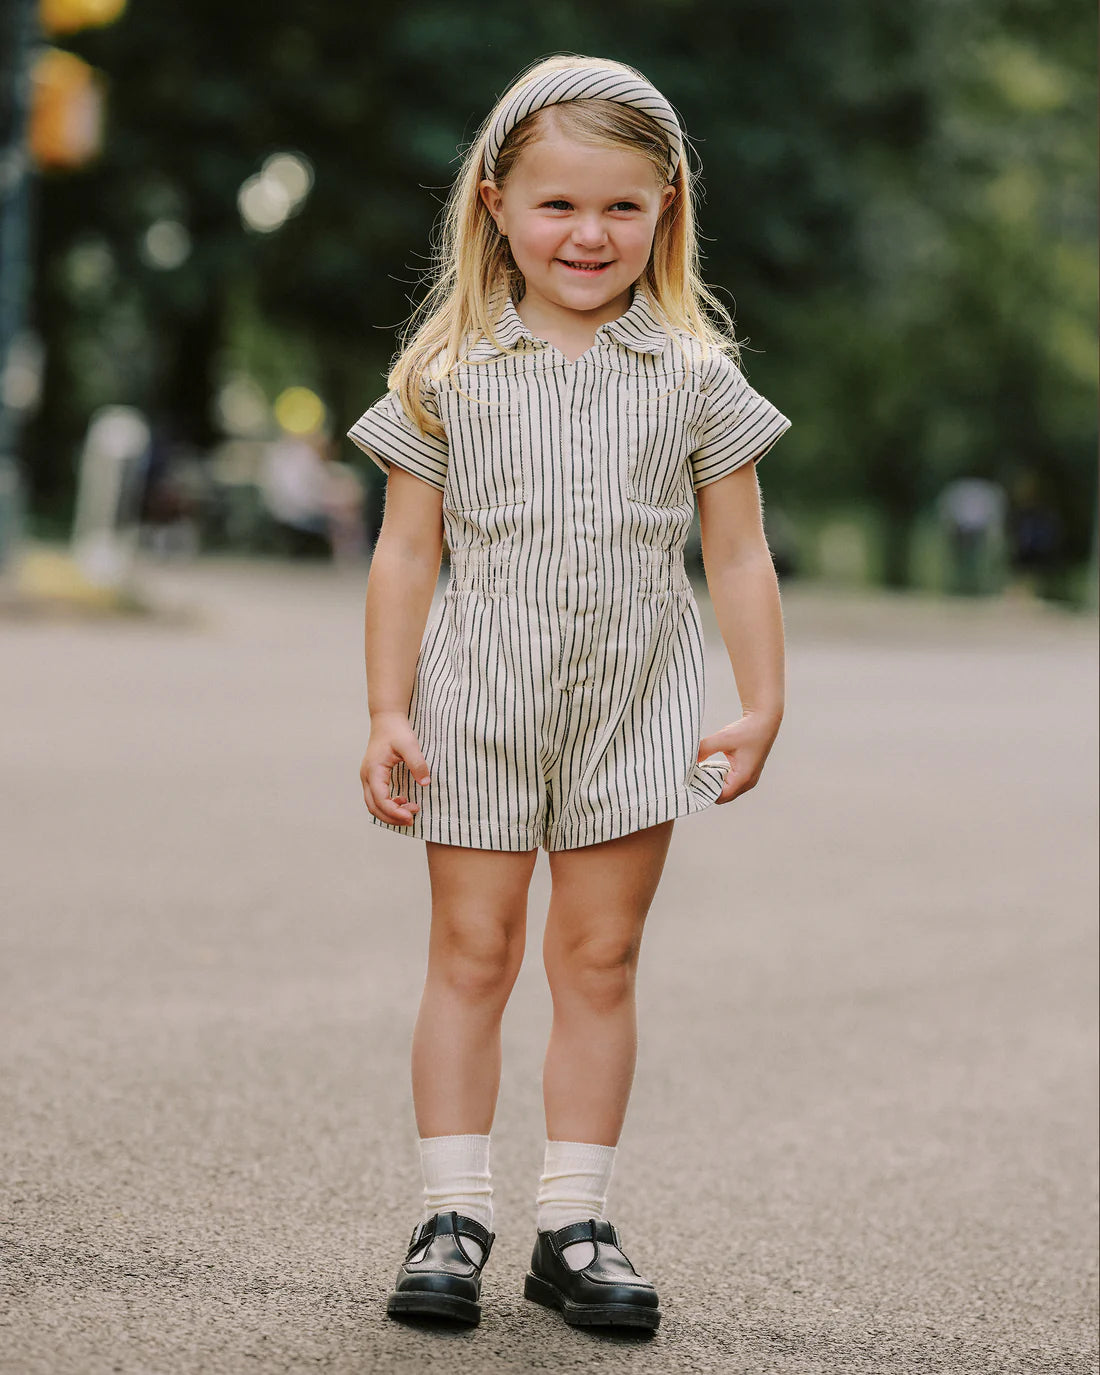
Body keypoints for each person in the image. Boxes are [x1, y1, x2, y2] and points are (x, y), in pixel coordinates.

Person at [349, 54, 792, 1332]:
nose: (587, 235)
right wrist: (386, 709)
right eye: (556, 204)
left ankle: (574, 1224)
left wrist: (760, 699)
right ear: (496, 205)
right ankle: (451, 1213)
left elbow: (737, 553)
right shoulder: (447, 370)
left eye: (619, 207)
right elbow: (405, 553)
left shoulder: (693, 373)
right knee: (471, 952)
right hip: (476, 705)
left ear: (665, 211)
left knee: (599, 957)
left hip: (631, 706)